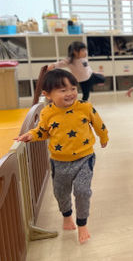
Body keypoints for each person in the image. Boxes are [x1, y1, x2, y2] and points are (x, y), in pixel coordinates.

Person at [16, 69, 108, 244]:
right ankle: (67, 215)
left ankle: (82, 224)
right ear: (47, 95)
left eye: (73, 88)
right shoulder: (47, 113)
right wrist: (31, 135)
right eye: (63, 90)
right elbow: (43, 132)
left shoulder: (84, 107)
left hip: (84, 157)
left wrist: (104, 137)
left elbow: (99, 124)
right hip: (59, 161)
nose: (70, 93)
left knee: (82, 191)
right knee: (61, 192)